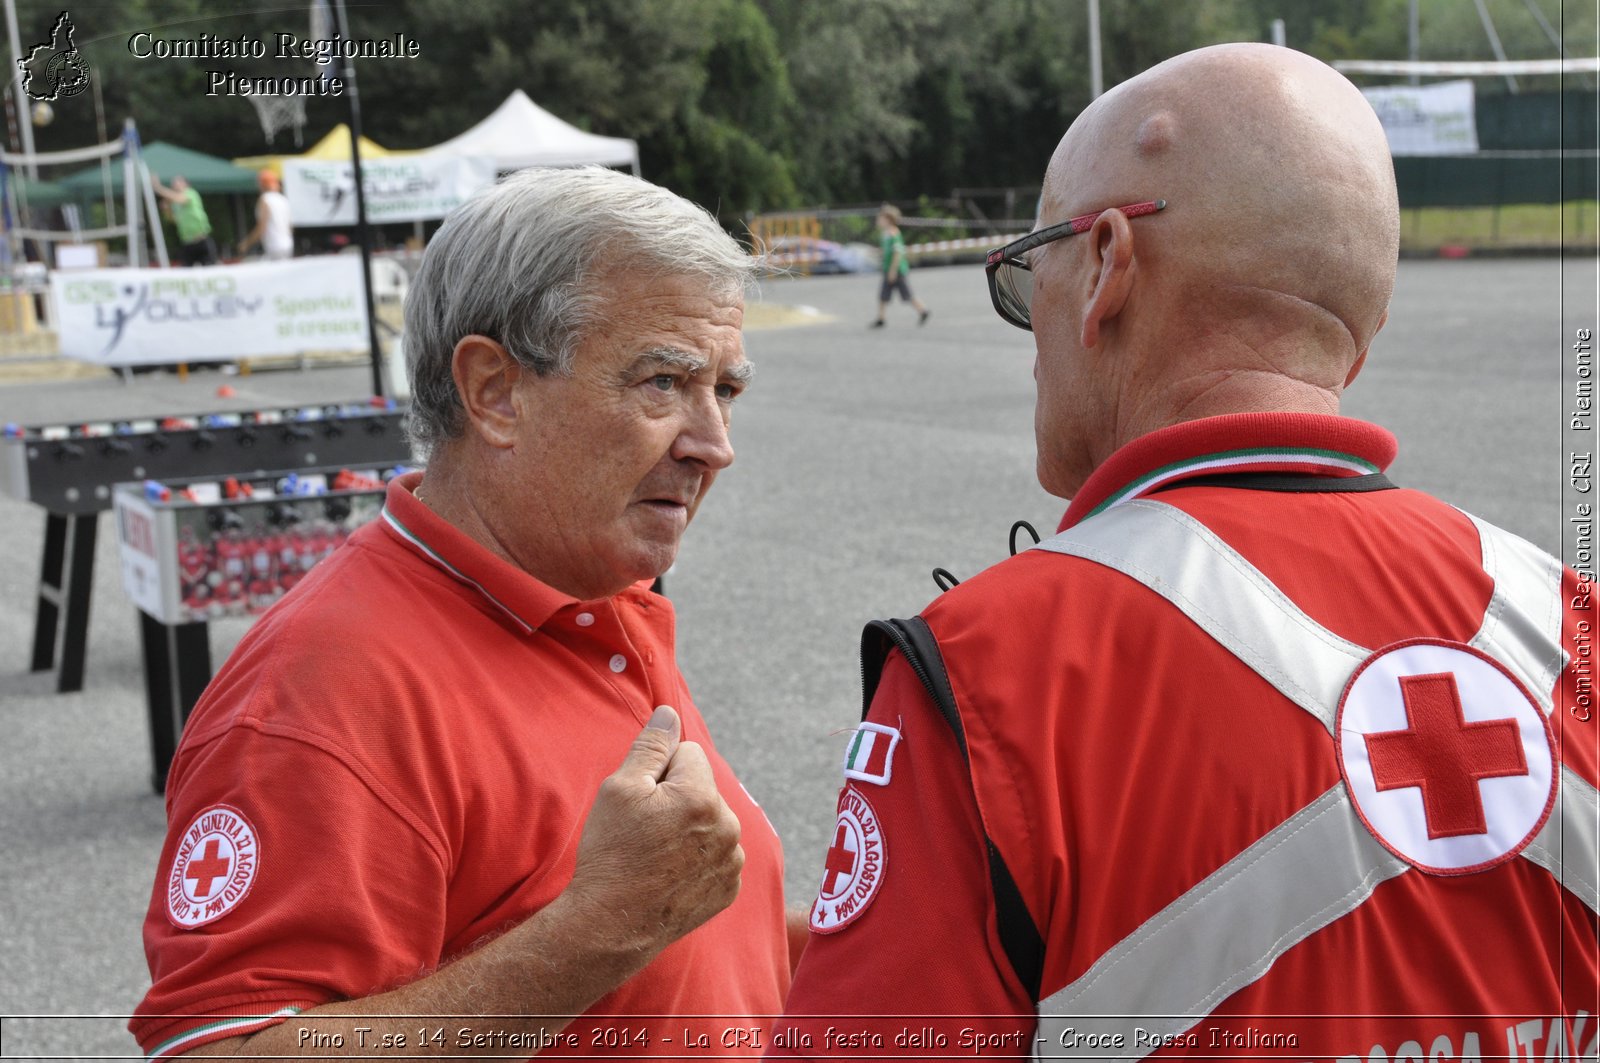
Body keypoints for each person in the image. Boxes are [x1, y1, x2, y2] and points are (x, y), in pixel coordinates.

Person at [775, 43, 1596, 1059]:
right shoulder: (1567, 621)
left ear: (1109, 263)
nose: (1028, 325)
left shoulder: (995, 673)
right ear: (1362, 333)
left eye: (1029, 272)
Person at [131, 167, 806, 1060]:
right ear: (493, 390)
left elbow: (683, 949)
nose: (713, 445)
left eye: (723, 390)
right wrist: (589, 937)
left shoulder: (597, 593)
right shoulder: (323, 687)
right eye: (662, 381)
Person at [868, 204, 929, 328]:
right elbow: (887, 251)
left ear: (888, 220)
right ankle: (881, 318)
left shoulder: (894, 234)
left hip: (896, 270)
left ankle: (923, 310)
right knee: (883, 295)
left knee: (907, 294)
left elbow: (897, 253)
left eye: (880, 219)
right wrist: (876, 251)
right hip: (888, 269)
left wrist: (893, 270)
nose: (878, 221)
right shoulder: (885, 235)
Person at [151, 175, 217, 267]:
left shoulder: (191, 193)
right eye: (173, 183)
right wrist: (166, 210)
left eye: (177, 182)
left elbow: (180, 198)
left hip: (201, 241)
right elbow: (175, 221)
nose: (175, 185)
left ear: (186, 184)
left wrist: (158, 188)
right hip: (187, 243)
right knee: (186, 273)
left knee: (209, 271)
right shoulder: (175, 204)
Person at [238, 168, 293, 260]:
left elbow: (262, 227)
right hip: (288, 242)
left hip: (273, 244)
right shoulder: (284, 200)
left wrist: (246, 244)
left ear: (261, 185)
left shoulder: (265, 199)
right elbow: (290, 226)